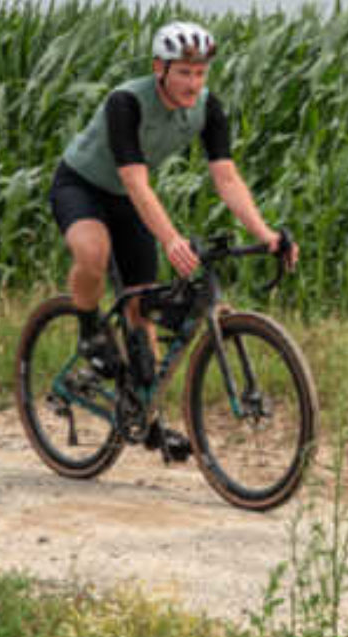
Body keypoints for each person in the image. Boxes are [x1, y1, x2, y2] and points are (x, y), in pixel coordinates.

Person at [47, 20, 298, 462]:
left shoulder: (206, 107)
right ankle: (89, 330)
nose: (193, 82)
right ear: (159, 68)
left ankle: (147, 415)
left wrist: (267, 235)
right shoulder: (126, 102)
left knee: (142, 306)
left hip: (128, 201)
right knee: (93, 251)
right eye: (183, 72)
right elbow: (136, 181)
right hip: (83, 186)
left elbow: (226, 177)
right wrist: (171, 239)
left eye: (200, 73)